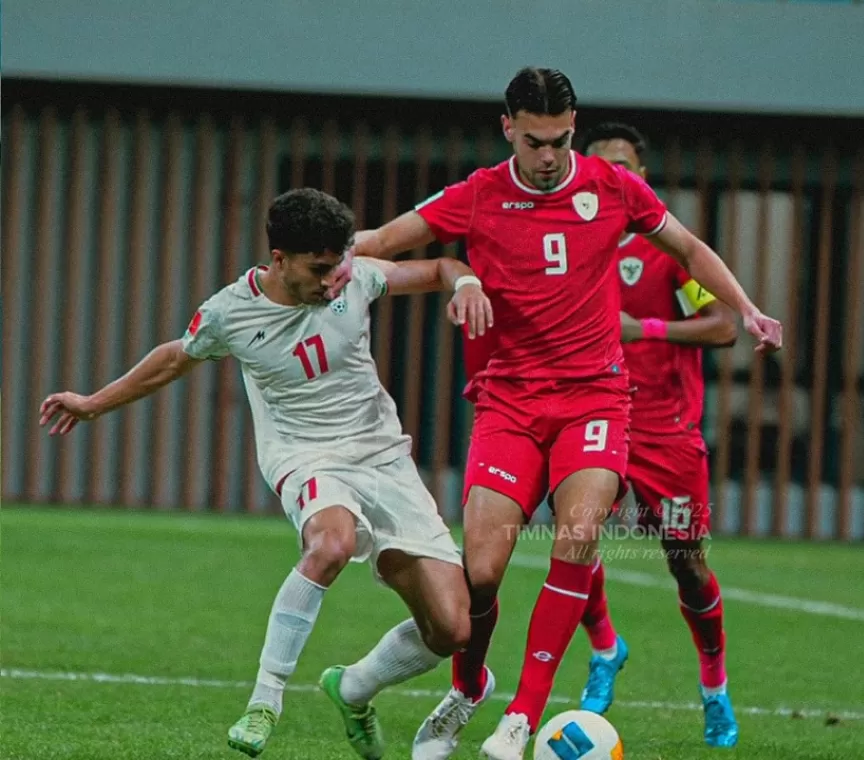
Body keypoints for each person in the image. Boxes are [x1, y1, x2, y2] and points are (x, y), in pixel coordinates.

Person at [346, 68, 781, 760]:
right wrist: (313, 264)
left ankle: (521, 715)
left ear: (573, 127)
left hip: (595, 399)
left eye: (560, 139)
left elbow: (690, 249)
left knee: (578, 537)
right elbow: (387, 238)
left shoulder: (613, 187)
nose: (548, 156)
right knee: (482, 570)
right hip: (511, 401)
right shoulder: (479, 193)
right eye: (535, 140)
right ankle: (466, 691)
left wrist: (749, 308)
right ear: (508, 129)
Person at [38, 188, 494, 760]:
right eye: (319, 269)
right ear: (279, 258)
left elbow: (439, 267)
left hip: (384, 458)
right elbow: (176, 357)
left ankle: (352, 687)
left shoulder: (355, 277)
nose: (332, 282)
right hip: (305, 456)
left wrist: (467, 284)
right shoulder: (231, 311)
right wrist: (93, 402)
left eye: (338, 266)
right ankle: (265, 700)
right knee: (331, 543)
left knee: (452, 631)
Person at [572, 121, 739, 746]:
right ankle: (605, 647)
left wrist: (645, 330)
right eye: (601, 165)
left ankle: (714, 687)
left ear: (641, 177)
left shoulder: (669, 250)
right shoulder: (568, 244)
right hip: (596, 417)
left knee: (687, 565)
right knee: (576, 538)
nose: (613, 175)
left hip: (667, 432)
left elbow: (724, 326)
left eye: (624, 165)